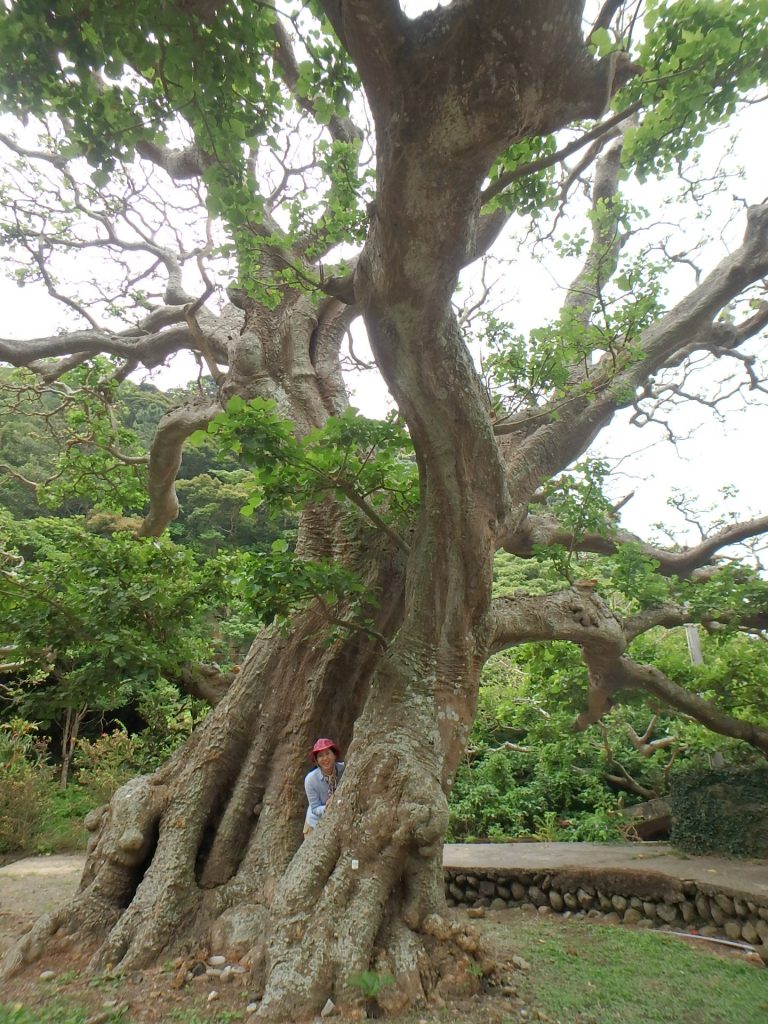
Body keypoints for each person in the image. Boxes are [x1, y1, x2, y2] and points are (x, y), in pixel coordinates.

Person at [303, 737, 344, 836]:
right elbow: (315, 808)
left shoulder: (344, 769)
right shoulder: (310, 780)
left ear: (334, 755)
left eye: (327, 753)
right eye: (320, 756)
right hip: (315, 824)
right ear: (316, 760)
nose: (325, 758)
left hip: (338, 820)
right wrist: (327, 807)